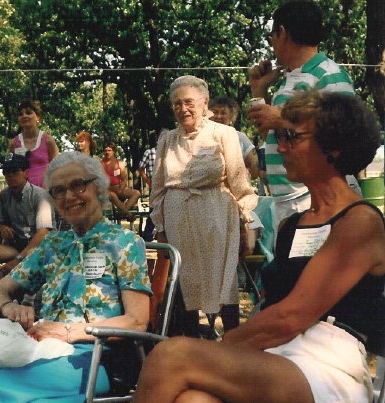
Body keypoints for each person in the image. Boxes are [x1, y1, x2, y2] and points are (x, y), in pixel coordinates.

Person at [134, 91, 385, 403]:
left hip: (329, 363)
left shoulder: (360, 223)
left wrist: (225, 344)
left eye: (290, 136)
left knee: (172, 353)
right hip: (277, 356)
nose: (280, 147)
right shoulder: (290, 226)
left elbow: (289, 317)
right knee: (193, 401)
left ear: (333, 147)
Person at [0, 151, 152, 403]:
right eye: (59, 190)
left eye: (78, 185)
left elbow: (136, 321)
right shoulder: (53, 244)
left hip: (94, 356)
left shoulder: (124, 243)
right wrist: (10, 307)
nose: (69, 196)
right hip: (41, 348)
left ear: (98, 186)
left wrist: (68, 331)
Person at [151, 76, 257, 336]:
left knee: (223, 279)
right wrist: (160, 226)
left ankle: (232, 344)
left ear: (204, 103)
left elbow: (239, 182)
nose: (183, 109)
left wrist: (246, 222)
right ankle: (193, 344)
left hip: (216, 214)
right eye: (177, 104)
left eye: (188, 102)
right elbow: (158, 188)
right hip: (178, 217)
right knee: (185, 282)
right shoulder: (167, 140)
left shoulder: (224, 134)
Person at [247, 1, 355, 230]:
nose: (272, 45)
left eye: (271, 36)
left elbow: (347, 130)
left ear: (283, 33)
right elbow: (272, 136)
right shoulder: (289, 79)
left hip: (314, 198)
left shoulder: (328, 73)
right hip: (287, 198)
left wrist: (282, 119)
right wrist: (258, 91)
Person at [0, 153, 55, 277]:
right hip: (16, 247)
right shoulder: (4, 195)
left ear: (26, 173)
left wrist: (17, 260)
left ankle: (8, 284)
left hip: (40, 249)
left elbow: (43, 233)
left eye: (15, 172)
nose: (10, 176)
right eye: (6, 172)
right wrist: (2, 227)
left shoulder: (40, 196)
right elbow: (1, 221)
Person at [8, 99, 59, 188]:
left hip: (45, 191)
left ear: (38, 117)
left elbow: (57, 168)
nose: (24, 116)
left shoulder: (48, 140)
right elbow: (9, 168)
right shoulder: (13, 143)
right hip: (21, 192)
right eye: (20, 114)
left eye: (28, 113)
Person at [209, 95, 259, 180]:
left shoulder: (240, 137)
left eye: (223, 113)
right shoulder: (202, 137)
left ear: (231, 117)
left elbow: (254, 169)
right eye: (215, 112)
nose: (218, 116)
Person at [101, 142, 141, 220]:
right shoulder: (100, 164)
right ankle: (129, 214)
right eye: (105, 151)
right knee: (113, 195)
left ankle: (122, 213)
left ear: (114, 151)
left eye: (109, 150)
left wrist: (121, 189)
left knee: (136, 193)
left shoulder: (120, 163)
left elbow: (123, 179)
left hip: (119, 188)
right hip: (107, 190)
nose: (107, 152)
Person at [137, 144, 156, 242]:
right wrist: (148, 181)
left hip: (168, 185)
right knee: (154, 210)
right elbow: (140, 168)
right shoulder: (149, 152)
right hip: (155, 184)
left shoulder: (169, 152)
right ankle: (148, 235)